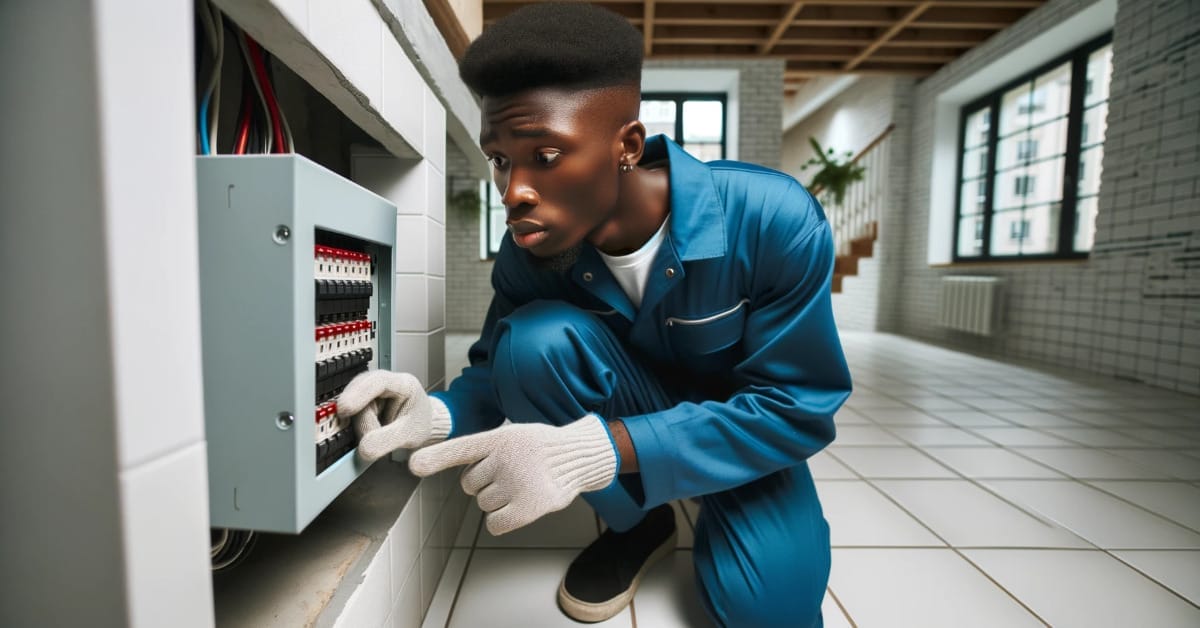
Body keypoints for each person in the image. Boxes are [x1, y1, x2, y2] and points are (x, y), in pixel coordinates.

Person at [336, 3, 852, 626]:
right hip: (635, 426)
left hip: (744, 442)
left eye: (546, 155)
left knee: (769, 613)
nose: (513, 190)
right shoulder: (532, 248)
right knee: (530, 345)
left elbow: (796, 408)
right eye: (500, 160)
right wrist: (437, 413)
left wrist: (604, 448)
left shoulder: (773, 219)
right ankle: (638, 524)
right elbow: (496, 370)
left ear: (627, 146)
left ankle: (710, 501)